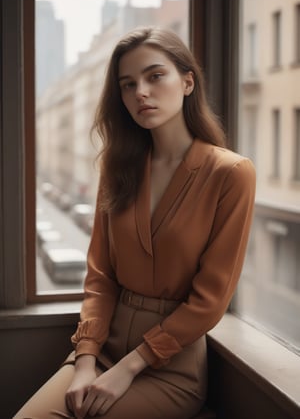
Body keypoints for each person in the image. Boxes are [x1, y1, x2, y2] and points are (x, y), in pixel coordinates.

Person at [14, 26, 256, 419]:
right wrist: (86, 361)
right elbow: (100, 276)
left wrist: (129, 368)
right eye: (127, 84)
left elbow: (211, 300)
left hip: (169, 366)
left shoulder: (230, 173)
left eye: (155, 76)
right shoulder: (118, 167)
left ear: (187, 81)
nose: (140, 91)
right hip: (104, 348)